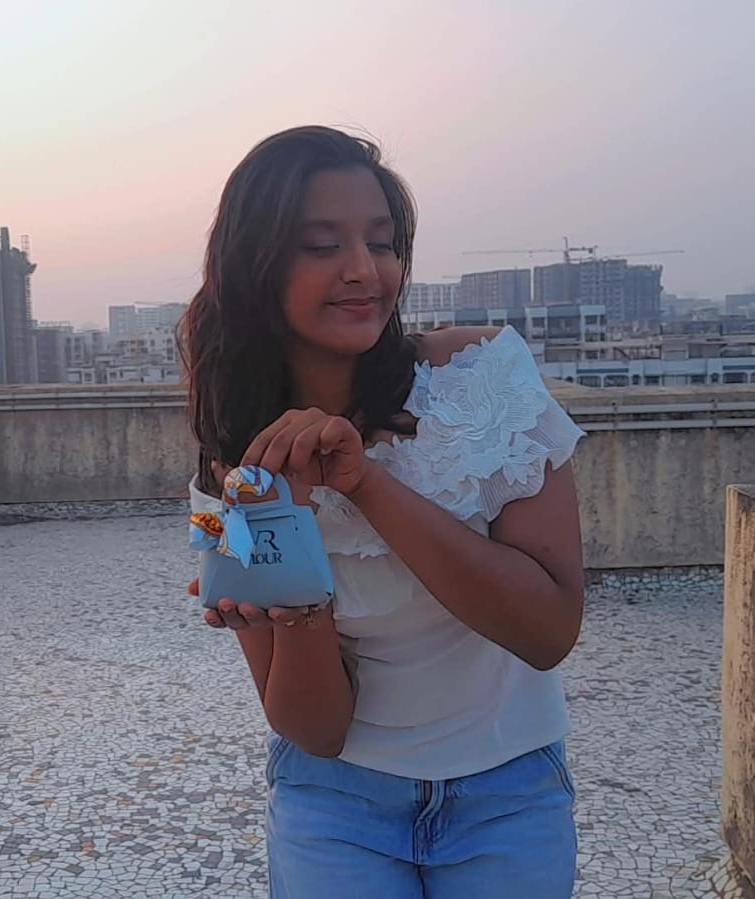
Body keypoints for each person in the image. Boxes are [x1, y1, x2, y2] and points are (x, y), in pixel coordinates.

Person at [179, 126, 587, 898]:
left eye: (381, 242)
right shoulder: (236, 469)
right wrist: (289, 561)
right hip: (333, 803)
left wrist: (365, 482)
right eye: (321, 245)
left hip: (509, 794)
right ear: (253, 265)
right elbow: (314, 729)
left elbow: (548, 630)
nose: (364, 270)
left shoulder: (481, 376)